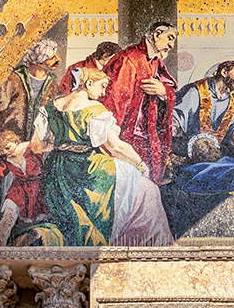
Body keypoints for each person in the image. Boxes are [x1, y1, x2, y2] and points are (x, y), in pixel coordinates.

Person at [33, 67, 172, 246]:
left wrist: (64, 145)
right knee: (148, 189)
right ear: (89, 83)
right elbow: (116, 147)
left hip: (57, 171)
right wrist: (140, 164)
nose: (104, 92)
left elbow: (37, 145)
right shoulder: (95, 110)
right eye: (102, 86)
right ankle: (152, 243)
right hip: (89, 169)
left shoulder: (49, 108)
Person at [0, 39, 68, 243]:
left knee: (8, 192)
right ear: (39, 59)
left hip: (23, 148)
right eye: (51, 57)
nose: (56, 60)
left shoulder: (52, 85)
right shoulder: (14, 79)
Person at [100, 22, 179, 182]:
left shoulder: (155, 60)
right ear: (157, 35)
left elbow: (169, 87)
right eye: (170, 38)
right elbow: (115, 103)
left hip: (145, 135)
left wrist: (164, 92)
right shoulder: (130, 59)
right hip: (127, 136)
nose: (171, 45)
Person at [173, 60, 234, 153]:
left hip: (214, 151)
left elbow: (231, 122)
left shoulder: (228, 100)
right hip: (191, 150)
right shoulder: (196, 91)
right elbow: (176, 118)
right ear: (224, 72)